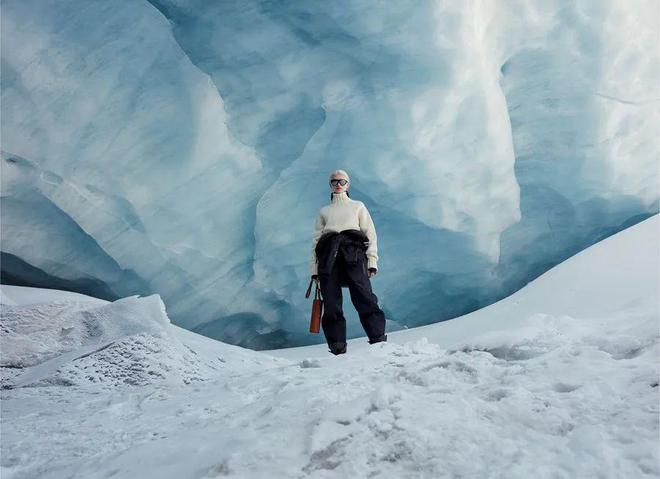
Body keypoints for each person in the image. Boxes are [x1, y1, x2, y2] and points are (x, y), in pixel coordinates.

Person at [310, 169, 387, 355]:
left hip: (354, 254)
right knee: (331, 302)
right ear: (330, 185)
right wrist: (314, 270)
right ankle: (337, 346)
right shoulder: (324, 211)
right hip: (328, 258)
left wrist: (372, 261)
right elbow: (315, 243)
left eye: (342, 181)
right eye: (334, 181)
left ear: (348, 184)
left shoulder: (358, 206)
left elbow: (370, 234)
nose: (338, 184)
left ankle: (378, 339)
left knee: (365, 296)